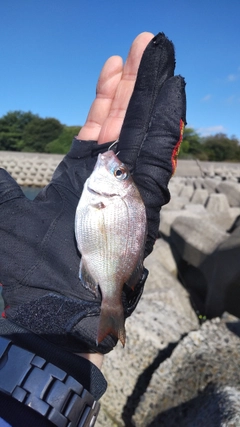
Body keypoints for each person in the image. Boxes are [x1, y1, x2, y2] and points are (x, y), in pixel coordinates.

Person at [0, 31, 186, 426]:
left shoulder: (105, 193)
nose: (112, 165)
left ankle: (108, 306)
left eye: (119, 171)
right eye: (120, 171)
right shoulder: (105, 191)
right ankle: (107, 308)